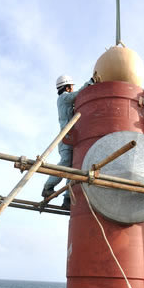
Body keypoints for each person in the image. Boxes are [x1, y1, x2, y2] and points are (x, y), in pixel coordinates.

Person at [42, 73, 98, 209]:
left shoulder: (67, 101)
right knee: (65, 164)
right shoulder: (63, 98)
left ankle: (67, 198)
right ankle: (48, 187)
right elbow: (78, 94)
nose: (72, 89)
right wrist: (90, 82)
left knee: (74, 168)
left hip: (72, 138)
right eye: (71, 87)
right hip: (66, 137)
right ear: (66, 88)